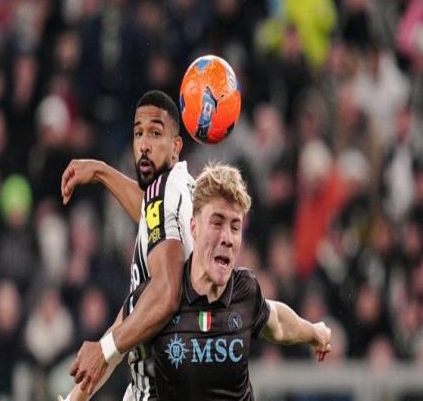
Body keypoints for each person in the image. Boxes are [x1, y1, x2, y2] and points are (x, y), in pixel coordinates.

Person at [130, 163, 332, 399]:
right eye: (217, 223)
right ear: (194, 227)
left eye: (235, 227)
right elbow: (114, 343)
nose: (227, 238)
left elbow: (276, 320)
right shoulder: (161, 296)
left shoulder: (245, 290)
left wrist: (314, 332)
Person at [58, 90, 195, 400]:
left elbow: (166, 294)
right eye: (138, 133)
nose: (144, 144)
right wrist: (100, 171)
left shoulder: (164, 195)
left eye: (155, 133)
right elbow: (133, 313)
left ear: (176, 147)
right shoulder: (181, 191)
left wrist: (104, 349)